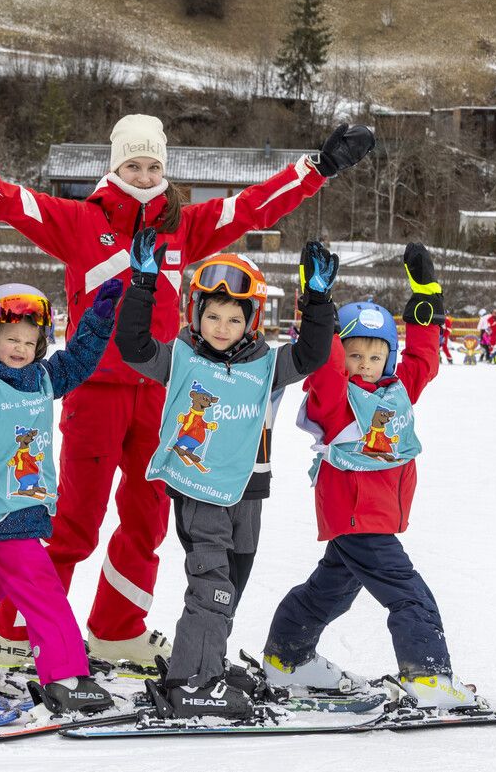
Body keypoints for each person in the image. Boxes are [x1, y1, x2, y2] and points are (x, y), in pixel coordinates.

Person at [0, 106, 375, 672]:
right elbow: (1, 198)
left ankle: (117, 630)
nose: (142, 174)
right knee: (73, 524)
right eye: (132, 164)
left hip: (165, 396)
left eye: (151, 164)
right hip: (95, 393)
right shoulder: (77, 221)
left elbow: (254, 204)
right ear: (116, 167)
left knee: (147, 524)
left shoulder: (183, 225)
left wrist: (320, 166)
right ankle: (17, 633)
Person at [114, 235, 337, 718]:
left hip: (249, 492)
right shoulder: (179, 359)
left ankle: (206, 660)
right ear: (195, 314)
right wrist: (142, 283)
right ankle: (194, 683)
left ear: (251, 321)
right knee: (211, 584)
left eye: (234, 319)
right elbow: (132, 346)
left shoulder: (264, 365)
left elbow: (312, 356)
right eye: (212, 316)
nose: (221, 327)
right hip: (201, 491)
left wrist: (316, 300)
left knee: (232, 583)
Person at [261, 244, 484, 711]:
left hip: (368, 517)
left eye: (375, 356)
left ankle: (287, 658)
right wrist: (317, 303)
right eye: (354, 354)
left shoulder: (398, 391)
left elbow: (424, 360)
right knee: (409, 594)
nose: (364, 364)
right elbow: (324, 364)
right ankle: (427, 675)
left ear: (389, 359)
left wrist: (426, 296)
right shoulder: (335, 398)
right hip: (358, 515)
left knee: (331, 590)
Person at [0, 271, 120, 714]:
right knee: (40, 586)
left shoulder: (41, 380)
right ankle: (66, 675)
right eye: (11, 337)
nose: (20, 349)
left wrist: (98, 322)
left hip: (26, 503)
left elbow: (78, 362)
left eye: (30, 342)